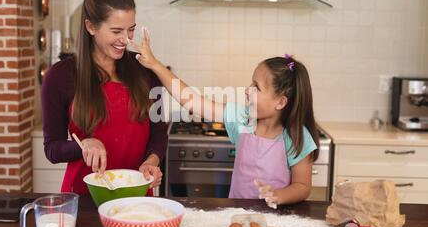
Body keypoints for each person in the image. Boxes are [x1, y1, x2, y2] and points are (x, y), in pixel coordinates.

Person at [130, 31, 319, 206]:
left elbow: (302, 186)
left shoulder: (296, 136)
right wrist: (154, 64)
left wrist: (278, 196)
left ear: (280, 102)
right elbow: (192, 101)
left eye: (256, 87)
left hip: (279, 221)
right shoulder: (242, 119)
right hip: (237, 214)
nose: (247, 90)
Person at [41, 0, 167, 194]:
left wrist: (152, 161)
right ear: (91, 27)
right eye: (116, 31)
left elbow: (159, 131)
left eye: (131, 30)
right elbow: (52, 149)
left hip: (136, 193)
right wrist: (84, 145)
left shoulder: (146, 70)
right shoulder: (60, 76)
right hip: (85, 197)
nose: (125, 39)